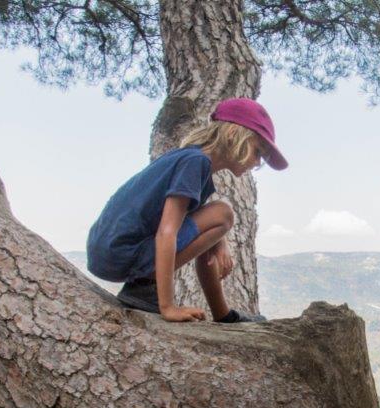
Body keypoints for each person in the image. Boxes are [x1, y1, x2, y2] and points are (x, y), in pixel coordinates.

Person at [87, 98, 287, 323]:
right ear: (233, 134)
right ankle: (145, 289)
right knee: (223, 213)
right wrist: (168, 307)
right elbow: (167, 232)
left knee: (219, 218)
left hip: (109, 252)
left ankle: (224, 315)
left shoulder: (191, 160)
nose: (256, 162)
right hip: (121, 253)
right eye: (257, 151)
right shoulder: (195, 163)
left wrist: (219, 241)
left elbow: (186, 222)